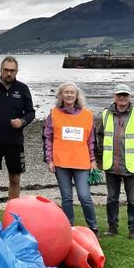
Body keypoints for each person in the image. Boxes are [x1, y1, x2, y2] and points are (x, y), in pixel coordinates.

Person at [95, 83, 134, 239]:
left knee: (133, 201)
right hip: (111, 165)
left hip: (132, 166)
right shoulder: (106, 114)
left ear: (130, 97)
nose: (122, 97)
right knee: (111, 199)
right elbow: (99, 137)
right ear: (114, 96)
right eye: (119, 95)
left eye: (125, 95)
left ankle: (133, 229)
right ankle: (112, 227)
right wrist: (99, 159)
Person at [0, 55, 35, 211]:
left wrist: (22, 121)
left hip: (15, 141)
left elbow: (31, 112)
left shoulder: (22, 89)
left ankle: (12, 214)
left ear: (16, 71)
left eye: (12, 70)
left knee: (15, 178)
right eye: (6, 70)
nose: (9, 73)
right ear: (1, 70)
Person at [44, 82, 99, 236]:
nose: (69, 95)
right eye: (66, 92)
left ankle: (93, 227)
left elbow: (91, 140)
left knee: (84, 196)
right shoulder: (53, 114)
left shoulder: (87, 114)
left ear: (77, 95)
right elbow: (47, 138)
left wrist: (93, 160)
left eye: (72, 92)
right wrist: (49, 160)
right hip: (61, 162)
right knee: (66, 197)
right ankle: (69, 227)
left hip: (82, 162)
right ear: (61, 95)